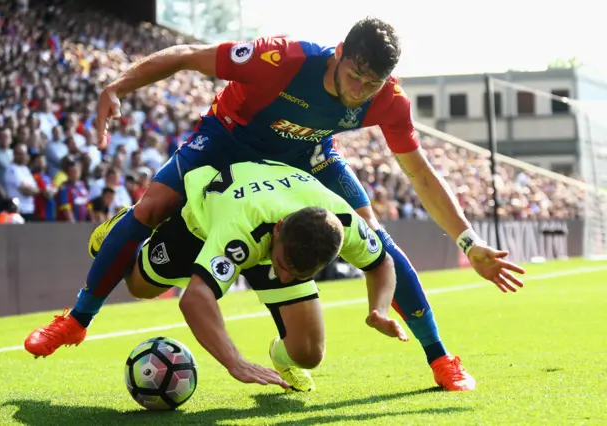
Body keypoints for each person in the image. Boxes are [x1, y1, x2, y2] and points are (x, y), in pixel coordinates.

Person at [26, 16, 526, 391]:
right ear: (338, 53)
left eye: (370, 85)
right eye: (355, 76)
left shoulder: (387, 101)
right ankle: (76, 321)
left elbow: (418, 173)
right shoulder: (280, 59)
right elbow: (184, 54)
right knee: (152, 206)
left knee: (377, 238)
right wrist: (117, 86)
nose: (359, 92)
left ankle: (440, 358)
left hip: (306, 158)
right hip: (228, 139)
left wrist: (469, 240)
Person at [27, 160, 409, 391]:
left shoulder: (341, 223)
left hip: (272, 221)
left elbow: (382, 263)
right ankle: (122, 232)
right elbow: (195, 299)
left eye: (298, 273)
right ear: (277, 233)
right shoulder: (243, 228)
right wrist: (234, 362)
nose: (284, 275)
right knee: (140, 287)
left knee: (309, 355)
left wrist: (379, 309)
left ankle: (279, 357)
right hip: (200, 224)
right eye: (284, 266)